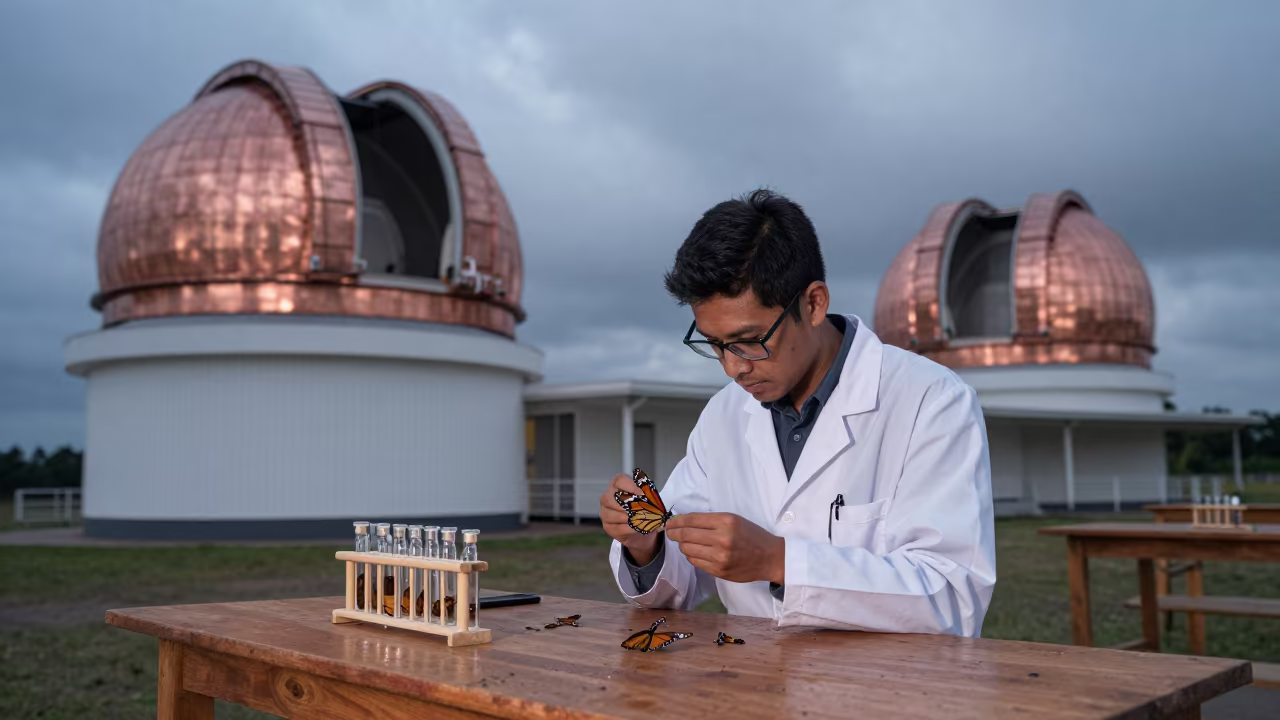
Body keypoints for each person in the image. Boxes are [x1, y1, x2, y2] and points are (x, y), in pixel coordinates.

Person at [601, 189, 996, 636]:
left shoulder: (931, 400)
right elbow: (679, 587)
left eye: (750, 340)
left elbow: (954, 596)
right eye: (715, 345)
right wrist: (644, 544)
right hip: (750, 688)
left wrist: (780, 561)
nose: (734, 367)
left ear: (813, 304)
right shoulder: (724, 416)